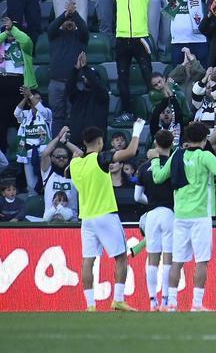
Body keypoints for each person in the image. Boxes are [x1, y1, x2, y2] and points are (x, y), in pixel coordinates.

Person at [151, 120, 216, 311]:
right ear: (205, 139)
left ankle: (171, 303)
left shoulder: (176, 155)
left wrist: (156, 159)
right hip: (200, 216)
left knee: (177, 261)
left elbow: (158, 177)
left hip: (180, 215)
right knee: (202, 261)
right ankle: (196, 304)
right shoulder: (205, 156)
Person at [70, 121, 142, 311]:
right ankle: (118, 299)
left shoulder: (76, 163)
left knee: (88, 260)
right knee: (121, 258)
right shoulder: (101, 159)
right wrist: (137, 131)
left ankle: (90, 305)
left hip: (86, 218)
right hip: (105, 215)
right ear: (100, 141)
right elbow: (131, 152)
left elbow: (77, 155)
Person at [99, 0, 155, 123]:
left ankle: (157, 110)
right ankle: (128, 112)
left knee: (149, 76)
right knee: (123, 78)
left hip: (140, 39)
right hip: (122, 39)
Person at [135, 129, 175, 312]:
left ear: (155, 143)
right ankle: (166, 300)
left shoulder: (144, 167)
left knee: (152, 259)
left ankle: (152, 301)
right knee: (168, 258)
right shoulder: (174, 165)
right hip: (169, 213)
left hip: (151, 214)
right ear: (171, 144)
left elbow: (137, 196)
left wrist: (151, 201)